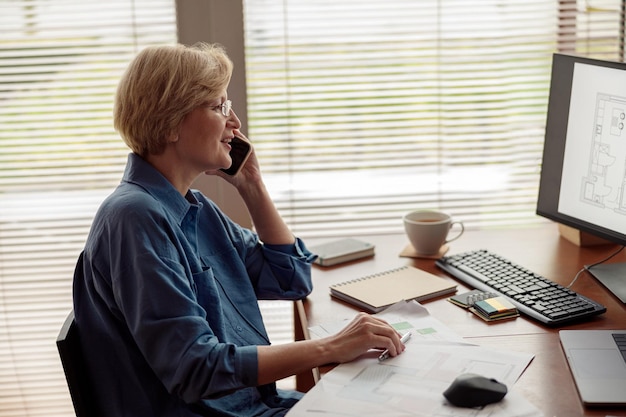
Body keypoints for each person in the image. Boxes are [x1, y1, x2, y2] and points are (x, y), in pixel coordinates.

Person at [72, 42, 407, 417]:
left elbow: (291, 280)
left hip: (255, 406)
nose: (235, 123)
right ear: (169, 122)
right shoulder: (134, 218)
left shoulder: (194, 209)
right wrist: (331, 347)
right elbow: (194, 369)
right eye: (219, 107)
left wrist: (253, 185)